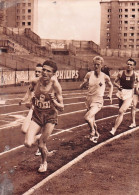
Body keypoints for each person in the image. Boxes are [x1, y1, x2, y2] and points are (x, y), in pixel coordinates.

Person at [24, 60, 64, 173]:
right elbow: (29, 93)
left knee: (41, 145)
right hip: (37, 115)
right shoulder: (35, 81)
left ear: (53, 74)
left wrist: (54, 101)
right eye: (43, 70)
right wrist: (29, 101)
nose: (45, 73)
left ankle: (44, 162)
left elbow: (62, 107)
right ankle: (40, 137)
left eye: (48, 71)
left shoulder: (56, 86)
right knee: (27, 143)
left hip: (50, 117)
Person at [80, 56, 113, 143]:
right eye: (94, 64)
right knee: (92, 120)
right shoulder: (89, 74)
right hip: (89, 99)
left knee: (87, 117)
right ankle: (96, 132)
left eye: (98, 64)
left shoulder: (105, 77)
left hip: (98, 100)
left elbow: (111, 85)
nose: (96, 66)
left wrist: (110, 94)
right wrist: (83, 84)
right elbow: (81, 85)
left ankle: (92, 132)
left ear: (101, 65)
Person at [110, 58, 138, 135]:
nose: (128, 66)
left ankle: (114, 129)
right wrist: (118, 86)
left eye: (130, 65)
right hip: (121, 93)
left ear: (133, 66)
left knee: (121, 111)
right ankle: (121, 122)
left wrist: (137, 87)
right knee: (120, 112)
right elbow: (114, 82)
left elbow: (138, 81)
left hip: (129, 94)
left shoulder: (135, 74)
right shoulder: (120, 73)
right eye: (128, 64)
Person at [19, 63, 43, 156]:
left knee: (38, 131)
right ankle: (41, 138)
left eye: (39, 72)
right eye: (36, 71)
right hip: (32, 109)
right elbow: (28, 92)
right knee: (24, 130)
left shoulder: (43, 83)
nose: (37, 73)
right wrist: (23, 100)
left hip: (41, 111)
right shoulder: (33, 83)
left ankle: (40, 147)